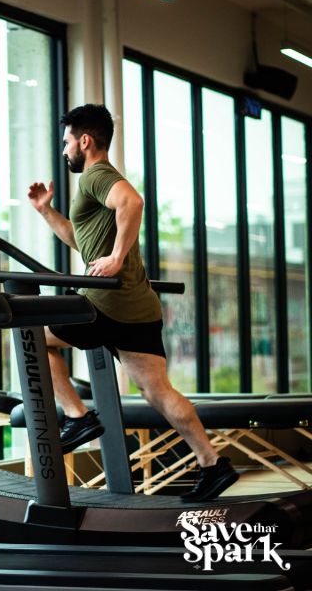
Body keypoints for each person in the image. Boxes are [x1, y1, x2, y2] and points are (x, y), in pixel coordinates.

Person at [28, 103, 238, 502]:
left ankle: (78, 417)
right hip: (138, 306)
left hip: (105, 302)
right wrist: (46, 211)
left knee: (32, 335)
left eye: (66, 142)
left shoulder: (97, 176)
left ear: (84, 141)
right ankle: (212, 463)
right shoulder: (97, 182)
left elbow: (133, 203)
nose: (64, 150)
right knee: (158, 391)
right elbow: (82, 240)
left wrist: (117, 258)